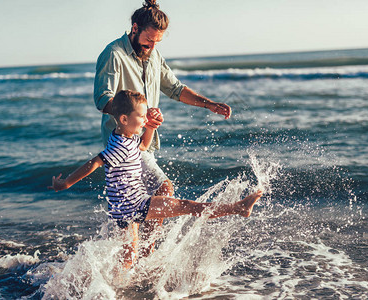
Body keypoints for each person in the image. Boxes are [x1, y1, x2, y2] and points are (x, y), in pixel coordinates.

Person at [50, 90, 262, 269]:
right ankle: (238, 208)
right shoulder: (119, 146)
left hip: (123, 209)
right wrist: (66, 182)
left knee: (129, 257)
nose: (144, 119)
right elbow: (95, 162)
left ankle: (111, 287)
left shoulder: (124, 136)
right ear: (124, 119)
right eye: (141, 117)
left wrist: (150, 127)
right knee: (189, 206)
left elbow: (142, 146)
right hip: (135, 204)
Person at [93, 0, 232, 256]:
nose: (152, 46)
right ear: (134, 28)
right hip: (124, 145)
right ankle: (146, 257)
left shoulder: (153, 54)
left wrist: (209, 104)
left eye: (157, 41)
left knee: (135, 216)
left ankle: (132, 261)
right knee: (163, 190)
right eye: (148, 40)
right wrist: (140, 117)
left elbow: (175, 89)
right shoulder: (113, 54)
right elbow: (103, 99)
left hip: (144, 143)